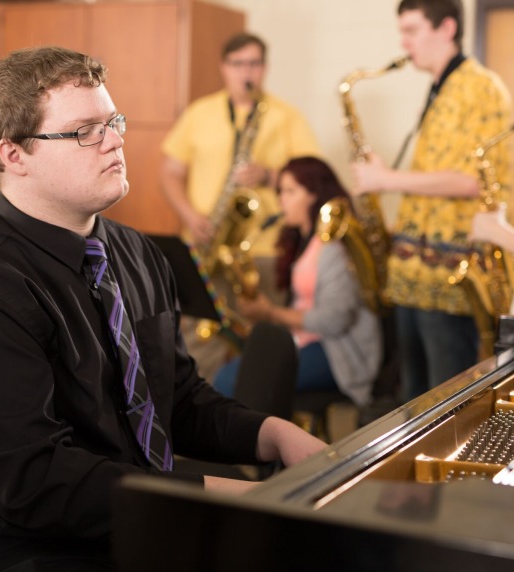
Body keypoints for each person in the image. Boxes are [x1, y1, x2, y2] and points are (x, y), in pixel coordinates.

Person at [0, 46, 326, 571]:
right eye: (85, 131)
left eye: (113, 122)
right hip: (21, 542)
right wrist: (211, 495)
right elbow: (31, 480)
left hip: (133, 505)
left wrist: (274, 434)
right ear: (14, 155)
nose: (116, 140)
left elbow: (178, 400)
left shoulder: (139, 252)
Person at [351, 0, 512, 402]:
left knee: (447, 407)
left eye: (411, 30)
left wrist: (387, 179)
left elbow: (477, 180)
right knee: (414, 402)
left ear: (446, 29)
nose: (403, 42)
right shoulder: (440, 86)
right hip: (413, 274)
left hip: (450, 274)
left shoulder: (481, 86)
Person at [160, 32, 322, 382]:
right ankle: (201, 414)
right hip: (205, 244)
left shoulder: (286, 116)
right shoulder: (199, 113)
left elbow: (313, 180)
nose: (246, 72)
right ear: (224, 67)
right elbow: (170, 173)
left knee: (261, 341)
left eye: (254, 63)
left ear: (265, 68)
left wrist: (269, 174)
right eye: (238, 64)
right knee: (197, 339)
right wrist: (190, 215)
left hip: (264, 251)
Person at [213, 157, 382, 409]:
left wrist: (270, 313)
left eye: (290, 191)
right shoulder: (300, 241)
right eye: (280, 191)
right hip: (302, 340)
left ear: (315, 195)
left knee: (233, 381)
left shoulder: (333, 247)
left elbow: (333, 321)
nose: (281, 199)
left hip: (336, 352)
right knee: (230, 377)